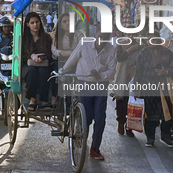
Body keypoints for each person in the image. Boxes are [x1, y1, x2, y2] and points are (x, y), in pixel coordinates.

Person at [61, 31, 116, 160]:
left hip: (101, 86)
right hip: (84, 83)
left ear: (108, 39)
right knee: (86, 116)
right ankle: (80, 140)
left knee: (100, 118)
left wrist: (100, 76)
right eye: (99, 37)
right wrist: (63, 71)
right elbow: (72, 59)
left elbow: (112, 71)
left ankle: (95, 149)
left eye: (104, 38)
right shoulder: (84, 44)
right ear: (95, 35)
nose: (101, 40)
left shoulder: (111, 50)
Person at [134, 32, 173, 148]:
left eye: (155, 39)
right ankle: (150, 138)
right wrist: (136, 88)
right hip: (148, 87)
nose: (152, 41)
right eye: (150, 39)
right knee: (150, 114)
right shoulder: (143, 53)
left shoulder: (167, 53)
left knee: (166, 114)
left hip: (165, 88)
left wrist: (166, 72)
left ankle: (166, 136)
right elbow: (138, 72)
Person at [114, 25, 144, 137]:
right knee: (121, 102)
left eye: (133, 34)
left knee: (133, 102)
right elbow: (120, 58)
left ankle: (130, 126)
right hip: (123, 77)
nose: (130, 36)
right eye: (128, 34)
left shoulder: (141, 47)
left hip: (136, 78)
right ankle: (121, 123)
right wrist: (131, 49)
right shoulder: (121, 45)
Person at [50, 13, 84, 104]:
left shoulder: (79, 35)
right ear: (60, 25)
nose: (68, 23)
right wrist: (73, 53)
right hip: (59, 61)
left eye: (70, 21)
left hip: (75, 62)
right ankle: (54, 96)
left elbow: (83, 49)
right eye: (65, 21)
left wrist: (72, 54)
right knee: (53, 72)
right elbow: (55, 52)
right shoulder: (54, 36)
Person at [22, 12, 52, 112]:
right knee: (32, 72)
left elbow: (49, 53)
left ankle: (44, 100)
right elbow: (22, 55)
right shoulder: (23, 39)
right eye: (32, 23)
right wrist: (32, 56)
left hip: (43, 64)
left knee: (43, 72)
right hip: (28, 65)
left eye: (37, 22)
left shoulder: (46, 37)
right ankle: (32, 99)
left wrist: (41, 57)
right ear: (27, 24)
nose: (35, 25)